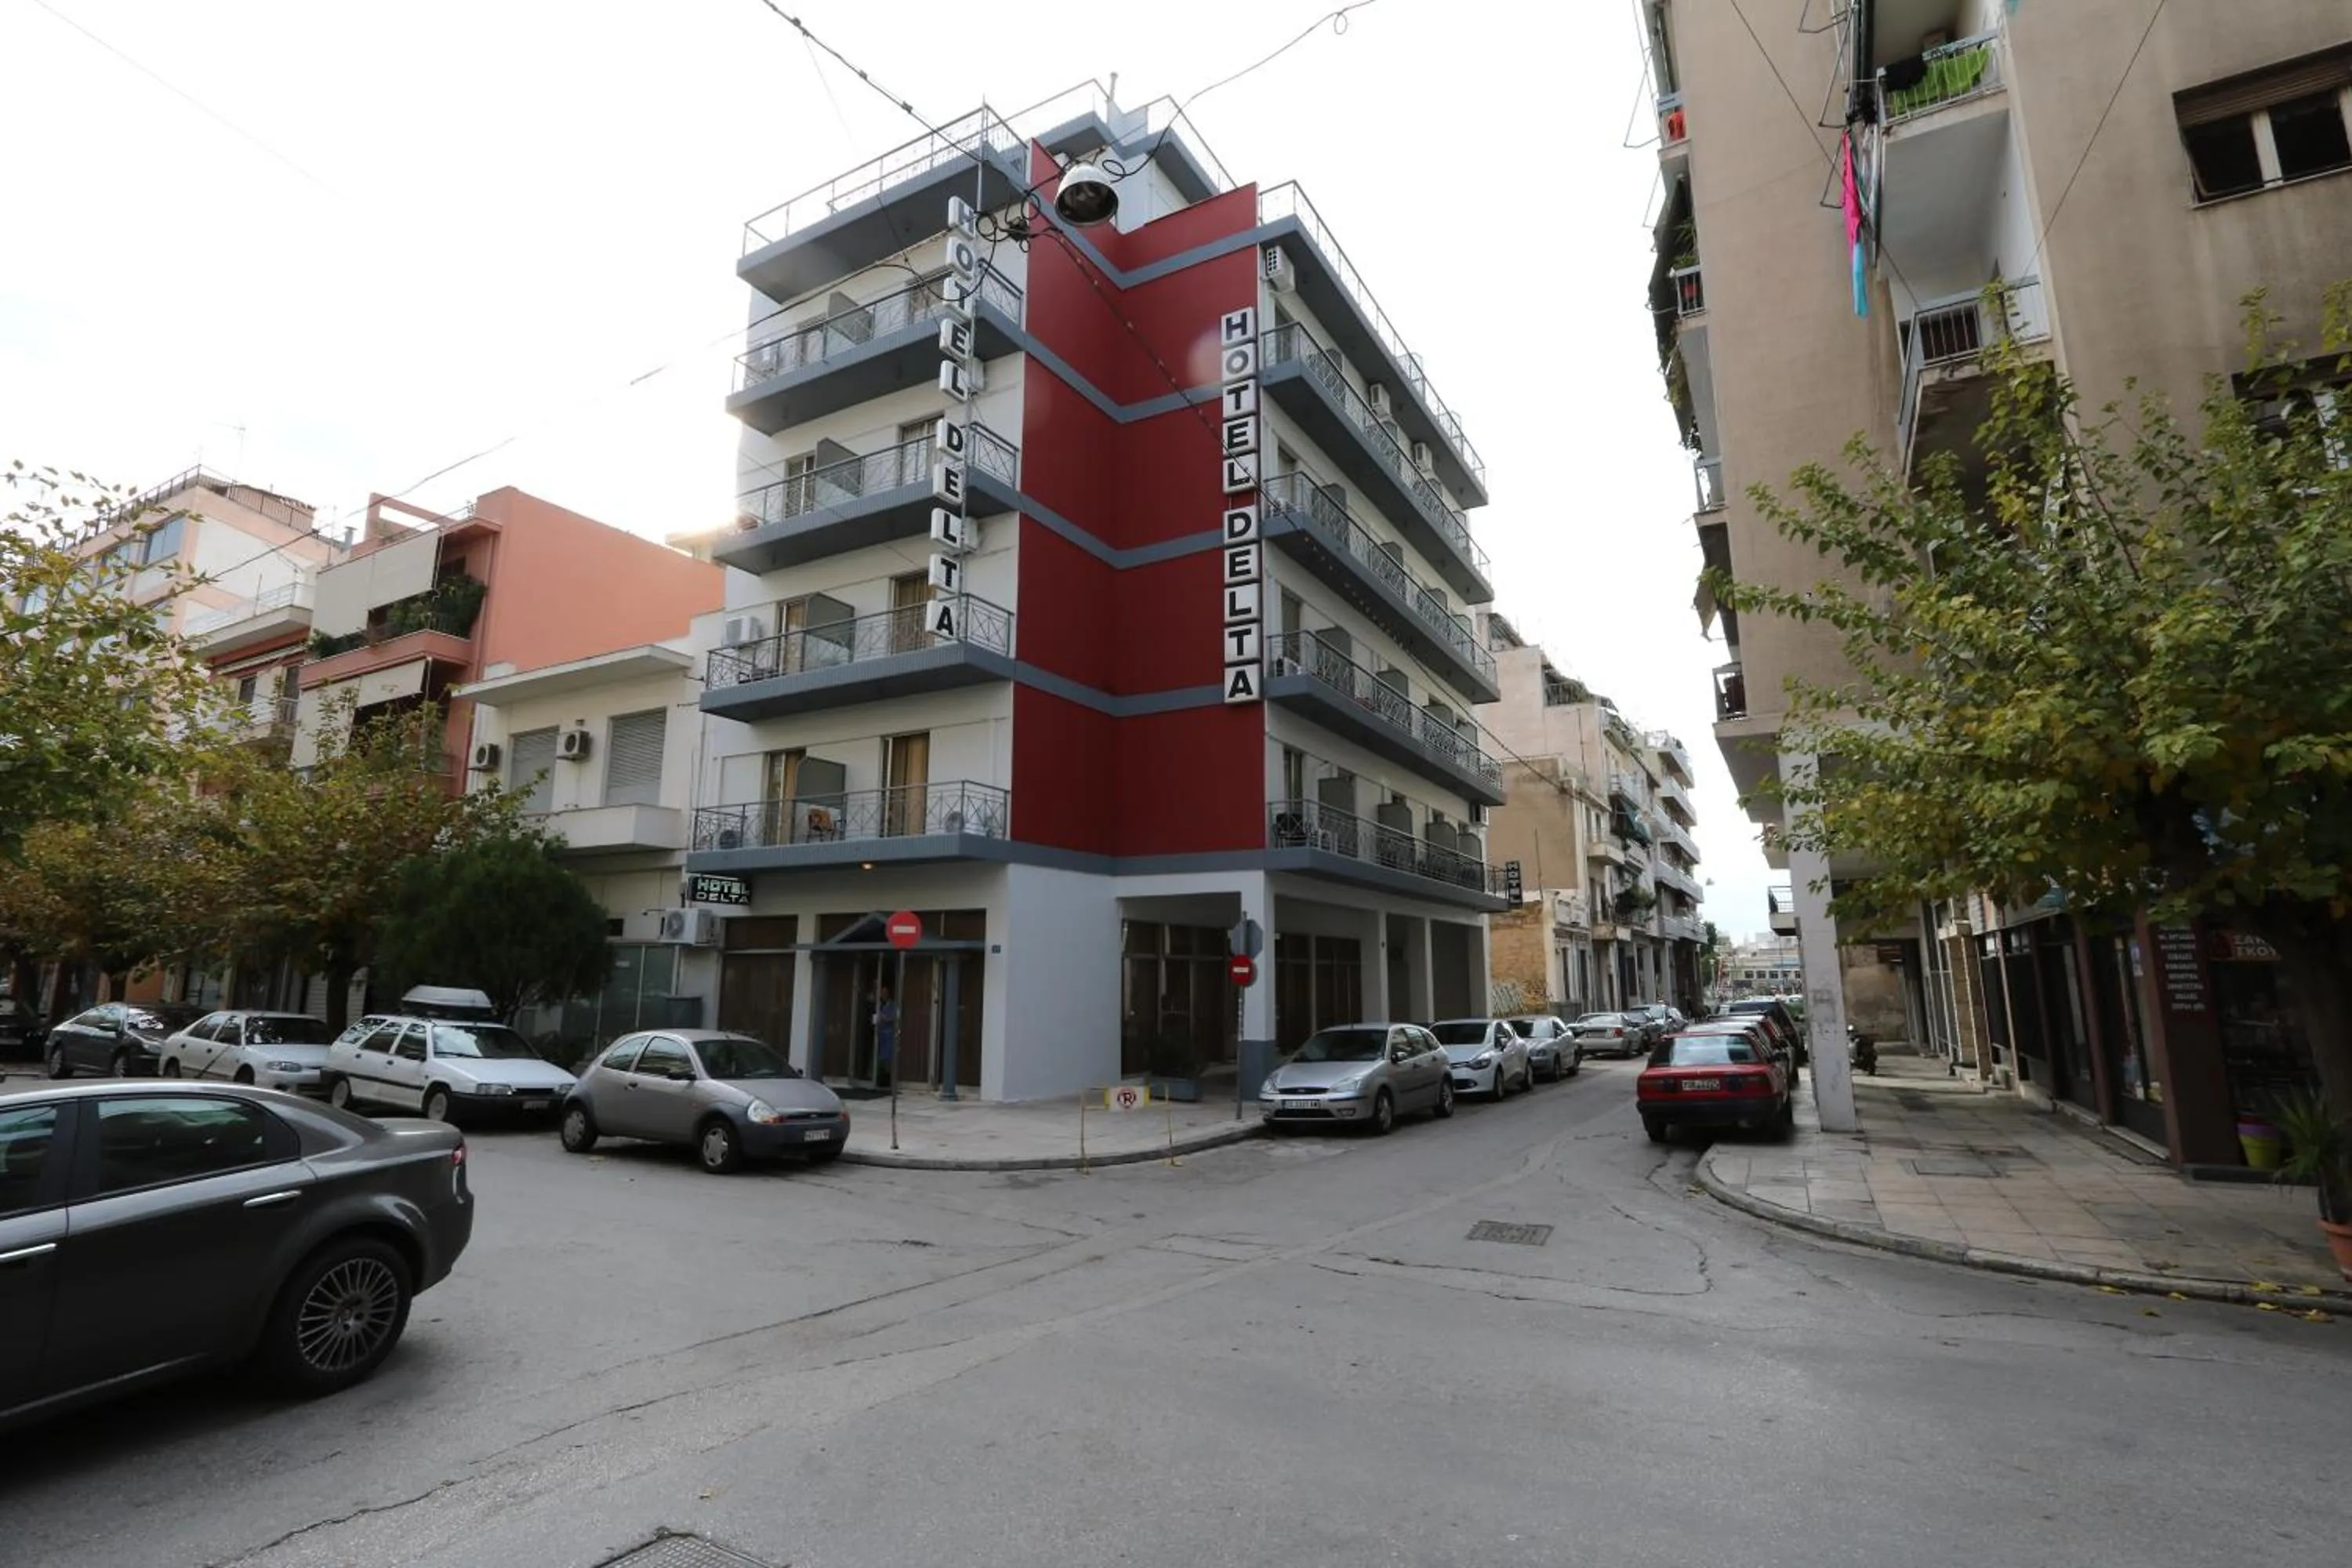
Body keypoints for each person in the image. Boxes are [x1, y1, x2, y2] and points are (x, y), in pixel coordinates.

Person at [873, 982, 898, 1089]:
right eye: (881, 993)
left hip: (889, 1035)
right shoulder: (880, 1005)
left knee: (888, 1059)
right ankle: (879, 1079)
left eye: (885, 993)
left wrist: (884, 1018)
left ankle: (888, 1081)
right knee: (881, 1058)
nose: (883, 995)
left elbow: (894, 1018)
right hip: (880, 1035)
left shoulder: (893, 1005)